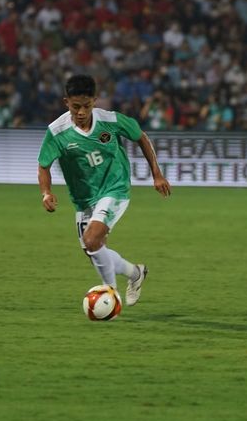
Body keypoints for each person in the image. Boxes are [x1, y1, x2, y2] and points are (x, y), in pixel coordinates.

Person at [38, 74, 171, 306]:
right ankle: (136, 273)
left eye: (87, 106)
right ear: (66, 102)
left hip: (115, 188)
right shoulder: (57, 132)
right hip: (83, 199)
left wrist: (156, 174)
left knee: (91, 240)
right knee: (94, 251)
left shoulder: (110, 120)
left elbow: (141, 137)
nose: (81, 112)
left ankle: (111, 297)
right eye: (75, 106)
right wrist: (46, 192)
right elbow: (44, 165)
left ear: (95, 101)